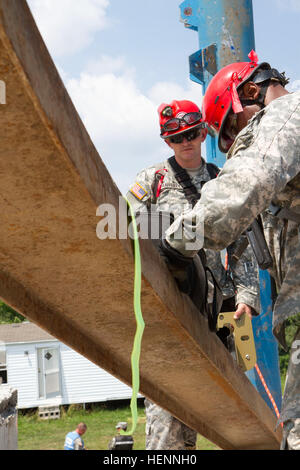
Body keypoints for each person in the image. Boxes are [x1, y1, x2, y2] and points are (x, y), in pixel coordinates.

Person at [164, 51, 300, 450]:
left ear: (252, 92)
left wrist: (175, 246)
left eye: (229, 132)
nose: (228, 147)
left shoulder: (286, 114)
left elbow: (239, 190)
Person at [126, 99, 260, 450]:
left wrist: (246, 296)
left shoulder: (222, 181)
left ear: (203, 133)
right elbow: (129, 234)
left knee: (227, 420)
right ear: (166, 142)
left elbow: (242, 242)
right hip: (171, 312)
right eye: (176, 137)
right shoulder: (153, 181)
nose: (185, 142)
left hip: (217, 315)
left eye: (191, 133)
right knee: (168, 423)